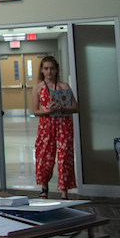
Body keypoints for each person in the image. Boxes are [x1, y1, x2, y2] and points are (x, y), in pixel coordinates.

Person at [32, 55, 78, 199]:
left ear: (56, 69)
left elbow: (76, 107)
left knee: (64, 158)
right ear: (42, 70)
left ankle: (64, 192)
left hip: (64, 124)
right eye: (46, 68)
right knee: (45, 156)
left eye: (52, 68)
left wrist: (63, 108)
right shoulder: (38, 88)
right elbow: (35, 111)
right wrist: (48, 111)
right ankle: (44, 188)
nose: (49, 72)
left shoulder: (64, 86)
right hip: (46, 124)